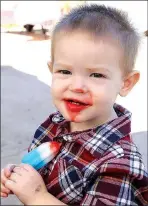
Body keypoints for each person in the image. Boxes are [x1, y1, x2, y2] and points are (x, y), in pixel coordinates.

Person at [1, 4, 148, 206]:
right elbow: (37, 166)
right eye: (65, 72)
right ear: (51, 69)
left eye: (97, 75)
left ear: (126, 83)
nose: (77, 86)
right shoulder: (56, 123)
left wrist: (37, 196)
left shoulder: (118, 164)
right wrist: (18, 174)